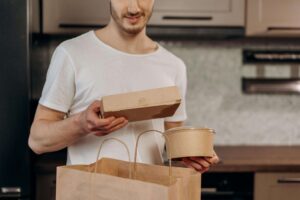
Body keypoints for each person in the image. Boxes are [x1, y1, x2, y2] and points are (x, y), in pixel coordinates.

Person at [28, 0, 219, 172]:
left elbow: (172, 140)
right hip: (91, 193)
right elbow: (37, 141)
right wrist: (81, 123)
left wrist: (192, 151)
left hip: (151, 192)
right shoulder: (71, 54)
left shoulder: (174, 65)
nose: (133, 8)